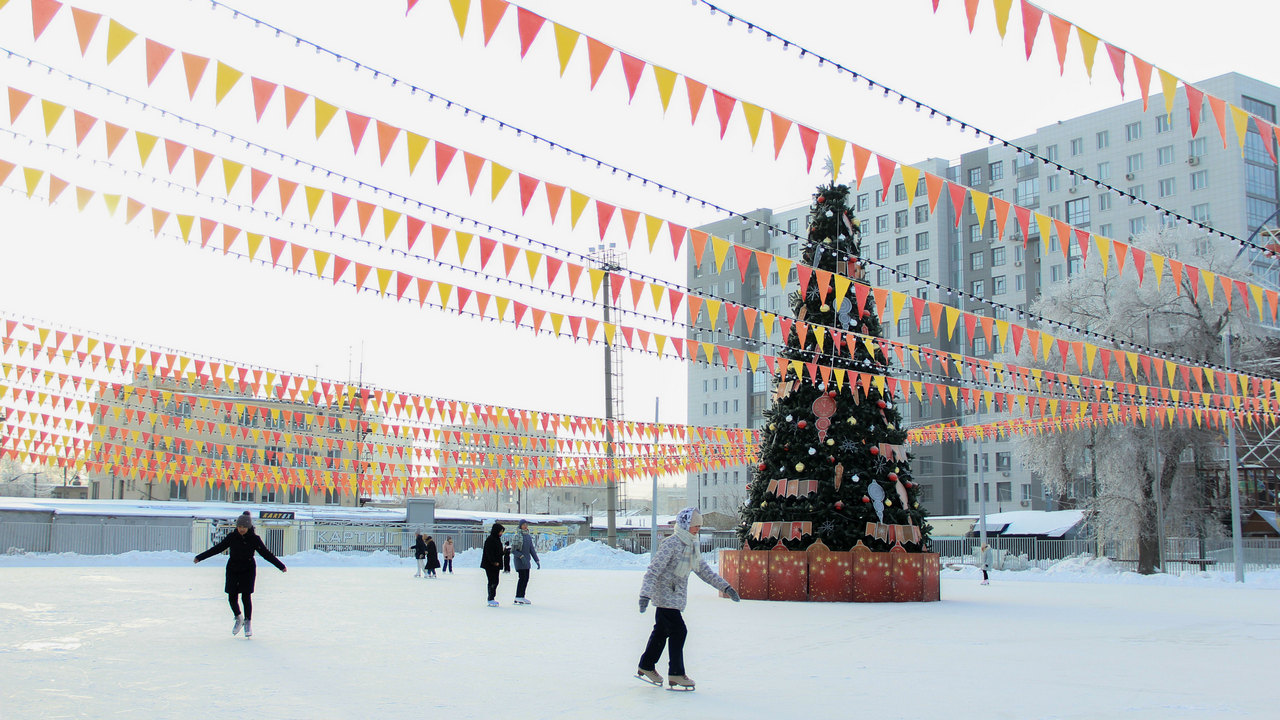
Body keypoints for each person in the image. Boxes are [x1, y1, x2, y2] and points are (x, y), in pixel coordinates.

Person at [636, 507, 738, 691]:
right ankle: (675, 673)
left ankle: (647, 665)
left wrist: (726, 587)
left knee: (661, 632)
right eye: (694, 525)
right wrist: (645, 594)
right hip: (666, 597)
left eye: (699, 525)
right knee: (679, 631)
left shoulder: (691, 546)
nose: (697, 528)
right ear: (684, 524)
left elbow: (704, 571)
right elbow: (653, 570)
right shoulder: (671, 544)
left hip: (676, 598)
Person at [193, 511, 287, 638]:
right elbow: (217, 548)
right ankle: (238, 618)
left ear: (249, 527)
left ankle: (248, 621)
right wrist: (200, 557)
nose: (242, 529)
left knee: (246, 596)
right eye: (240, 527)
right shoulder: (232, 537)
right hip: (233, 568)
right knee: (232, 596)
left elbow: (266, 554)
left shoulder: (254, 539)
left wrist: (280, 565)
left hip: (248, 570)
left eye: (244, 527)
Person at [512, 520, 541, 605]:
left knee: (526, 579)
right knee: (522, 578)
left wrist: (537, 560)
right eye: (523, 525)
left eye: (526, 525)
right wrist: (520, 556)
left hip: (526, 561)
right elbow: (513, 550)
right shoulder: (517, 536)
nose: (525, 526)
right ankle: (518, 596)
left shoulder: (528, 536)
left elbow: (531, 549)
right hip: (520, 561)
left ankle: (522, 596)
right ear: (520, 526)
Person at [481, 523, 505, 607]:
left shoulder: (497, 539)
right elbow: (489, 553)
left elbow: (499, 552)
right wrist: (493, 561)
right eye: (500, 531)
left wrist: (505, 551)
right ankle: (490, 598)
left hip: (496, 565)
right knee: (492, 581)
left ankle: (492, 598)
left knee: (496, 581)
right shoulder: (490, 539)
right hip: (490, 565)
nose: (501, 533)